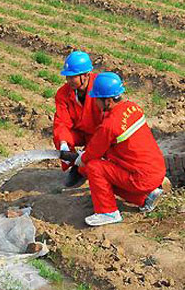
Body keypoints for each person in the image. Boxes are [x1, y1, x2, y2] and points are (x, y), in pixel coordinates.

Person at [72, 72, 167, 227]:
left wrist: (79, 159)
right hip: (156, 169)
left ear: (108, 100)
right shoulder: (133, 108)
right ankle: (146, 198)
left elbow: (92, 154)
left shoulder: (110, 125)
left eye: (96, 99)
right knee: (108, 174)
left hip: (141, 178)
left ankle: (107, 212)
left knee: (94, 168)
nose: (94, 102)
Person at [54, 51, 102, 188]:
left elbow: (109, 122)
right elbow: (61, 122)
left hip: (100, 134)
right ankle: (74, 162)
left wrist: (91, 150)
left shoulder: (100, 88)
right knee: (62, 135)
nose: (68, 81)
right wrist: (63, 143)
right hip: (81, 132)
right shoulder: (63, 93)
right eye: (67, 77)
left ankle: (82, 168)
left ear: (86, 75)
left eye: (72, 77)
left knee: (96, 163)